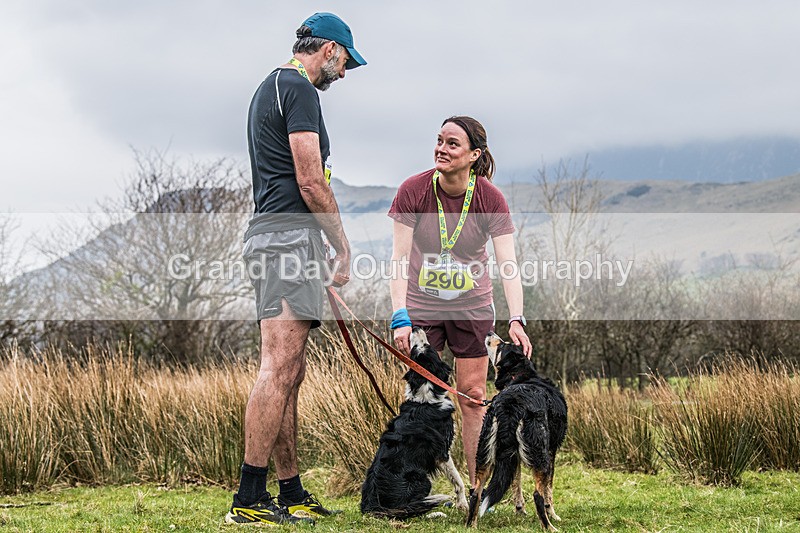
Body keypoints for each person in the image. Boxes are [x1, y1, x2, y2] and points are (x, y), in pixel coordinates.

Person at [226, 12, 366, 526]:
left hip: (279, 238)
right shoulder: (298, 88)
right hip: (288, 239)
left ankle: (290, 491)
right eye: (346, 61)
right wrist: (342, 247)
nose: (345, 73)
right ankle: (248, 499)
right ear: (328, 50)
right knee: (278, 367)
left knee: (291, 371)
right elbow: (310, 181)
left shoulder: (270, 87)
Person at [388, 116, 532, 489]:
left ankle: (476, 489)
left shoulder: (489, 198)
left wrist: (517, 318)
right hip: (422, 308)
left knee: (473, 396)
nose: (441, 148)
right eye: (439, 140)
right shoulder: (413, 190)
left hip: (472, 308)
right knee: (421, 399)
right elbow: (399, 260)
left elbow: (508, 265)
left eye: (452, 143)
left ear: (474, 155)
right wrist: (399, 315)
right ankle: (406, 487)